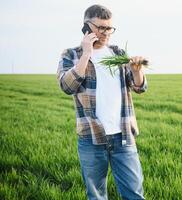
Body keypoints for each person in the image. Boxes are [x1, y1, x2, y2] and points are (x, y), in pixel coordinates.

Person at [56, 4, 147, 200]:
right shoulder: (71, 55)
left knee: (134, 194)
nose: (106, 33)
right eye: (101, 28)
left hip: (123, 136)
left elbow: (139, 87)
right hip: (91, 137)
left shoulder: (118, 53)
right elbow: (66, 86)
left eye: (109, 28)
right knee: (96, 196)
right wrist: (86, 53)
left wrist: (137, 70)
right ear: (86, 27)